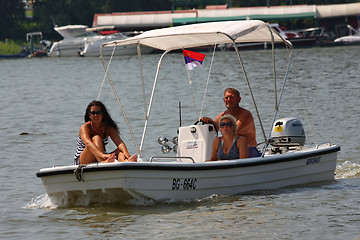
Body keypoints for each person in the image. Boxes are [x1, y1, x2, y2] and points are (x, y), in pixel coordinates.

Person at [201, 88, 260, 157]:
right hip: (231, 152)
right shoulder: (222, 115)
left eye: (231, 97)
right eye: (226, 98)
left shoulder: (245, 114)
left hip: (249, 150)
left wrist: (217, 125)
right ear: (224, 100)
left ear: (239, 100)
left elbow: (232, 131)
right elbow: (215, 128)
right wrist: (209, 122)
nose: (228, 100)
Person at [74, 100, 137, 165]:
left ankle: (127, 162)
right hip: (83, 159)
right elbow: (88, 143)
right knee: (97, 138)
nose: (96, 115)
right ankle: (104, 162)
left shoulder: (108, 127)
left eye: (98, 112)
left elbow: (119, 142)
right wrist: (102, 155)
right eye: (93, 113)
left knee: (120, 150)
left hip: (101, 155)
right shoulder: (85, 127)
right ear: (89, 115)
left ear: (103, 114)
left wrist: (126, 153)